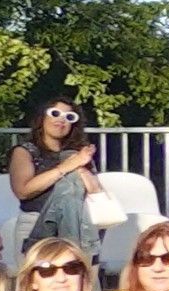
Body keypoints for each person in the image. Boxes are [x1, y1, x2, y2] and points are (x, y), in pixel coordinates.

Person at [8, 102, 102, 253]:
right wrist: (65, 167)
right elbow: (22, 190)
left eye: (69, 117)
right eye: (55, 113)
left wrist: (81, 168)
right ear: (42, 117)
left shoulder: (77, 154)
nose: (62, 120)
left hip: (79, 225)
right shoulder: (25, 151)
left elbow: (96, 192)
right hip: (36, 223)